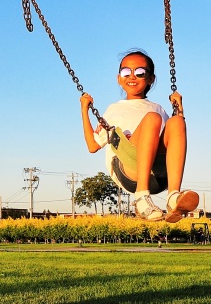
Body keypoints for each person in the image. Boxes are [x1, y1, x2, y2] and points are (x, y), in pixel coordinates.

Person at [80, 49, 199, 222]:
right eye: (126, 72)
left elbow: (174, 140)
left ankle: (173, 196)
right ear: (119, 78)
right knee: (152, 119)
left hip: (159, 174)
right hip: (129, 170)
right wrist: (84, 109)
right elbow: (92, 146)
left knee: (177, 122)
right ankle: (141, 197)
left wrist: (179, 109)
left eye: (140, 72)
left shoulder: (158, 108)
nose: (132, 76)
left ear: (151, 79)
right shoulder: (115, 110)